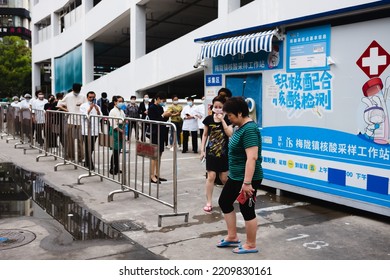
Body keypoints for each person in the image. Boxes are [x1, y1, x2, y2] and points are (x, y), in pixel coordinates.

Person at [216, 96, 263, 254]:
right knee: (225, 202)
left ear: (240, 113)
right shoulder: (239, 127)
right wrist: (222, 121)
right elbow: (231, 134)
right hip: (236, 176)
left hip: (248, 178)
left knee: (247, 209)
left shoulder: (249, 129)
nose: (228, 118)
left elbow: (252, 157)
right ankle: (232, 236)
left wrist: (247, 183)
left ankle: (251, 244)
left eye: (230, 115)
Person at [200, 95, 230, 213]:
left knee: (224, 178)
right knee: (211, 176)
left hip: (223, 153)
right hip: (211, 153)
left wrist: (222, 119)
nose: (217, 109)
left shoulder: (227, 119)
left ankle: (229, 197)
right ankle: (208, 202)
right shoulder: (208, 119)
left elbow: (229, 133)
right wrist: (202, 150)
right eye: (215, 106)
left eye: (220, 107)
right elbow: (205, 134)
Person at [57, 83, 86, 162]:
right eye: (76, 90)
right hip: (71, 120)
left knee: (80, 140)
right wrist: (67, 110)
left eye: (79, 90)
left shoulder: (83, 96)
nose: (78, 91)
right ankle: (71, 157)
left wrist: (82, 105)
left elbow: (86, 106)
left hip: (80, 121)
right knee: (70, 140)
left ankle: (81, 157)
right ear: (73, 89)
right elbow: (59, 104)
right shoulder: (68, 96)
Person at [147, 92, 172, 183]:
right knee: (154, 155)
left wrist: (167, 116)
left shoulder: (160, 107)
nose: (163, 102)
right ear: (157, 98)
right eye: (162, 100)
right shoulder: (152, 108)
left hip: (161, 132)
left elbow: (162, 120)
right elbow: (155, 120)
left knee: (160, 154)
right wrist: (163, 115)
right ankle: (152, 175)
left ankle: (157, 174)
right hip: (155, 133)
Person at [80, 91, 101, 170]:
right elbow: (84, 116)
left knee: (91, 147)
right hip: (86, 130)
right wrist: (90, 109)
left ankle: (86, 162)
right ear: (87, 97)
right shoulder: (83, 106)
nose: (92, 99)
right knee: (88, 146)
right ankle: (90, 163)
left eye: (93, 97)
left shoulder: (97, 106)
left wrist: (97, 110)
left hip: (95, 130)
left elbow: (101, 116)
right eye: (90, 97)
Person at [108, 95, 126, 175]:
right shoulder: (112, 111)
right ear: (115, 102)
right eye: (119, 101)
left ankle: (117, 167)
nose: (121, 103)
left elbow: (124, 120)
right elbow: (113, 124)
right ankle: (112, 168)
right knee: (115, 151)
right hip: (115, 131)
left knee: (118, 151)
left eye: (122, 101)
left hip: (121, 130)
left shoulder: (121, 111)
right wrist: (121, 131)